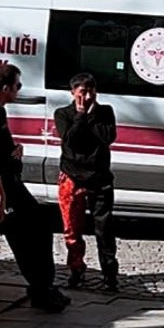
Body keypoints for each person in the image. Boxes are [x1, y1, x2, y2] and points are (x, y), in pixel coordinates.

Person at [0, 64, 69, 313]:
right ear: (5, 88)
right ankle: (41, 291)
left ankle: (44, 287)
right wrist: (0, 198)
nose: (19, 90)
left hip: (10, 184)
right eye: (17, 86)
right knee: (24, 239)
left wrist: (14, 153)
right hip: (0, 190)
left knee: (41, 225)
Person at [54, 72, 119, 292]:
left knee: (104, 229)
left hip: (99, 178)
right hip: (72, 178)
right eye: (83, 92)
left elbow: (107, 137)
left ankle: (110, 275)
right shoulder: (63, 114)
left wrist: (90, 117)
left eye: (91, 90)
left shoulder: (105, 112)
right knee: (72, 229)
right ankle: (76, 270)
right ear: (73, 93)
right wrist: (80, 116)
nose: (88, 96)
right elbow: (70, 140)